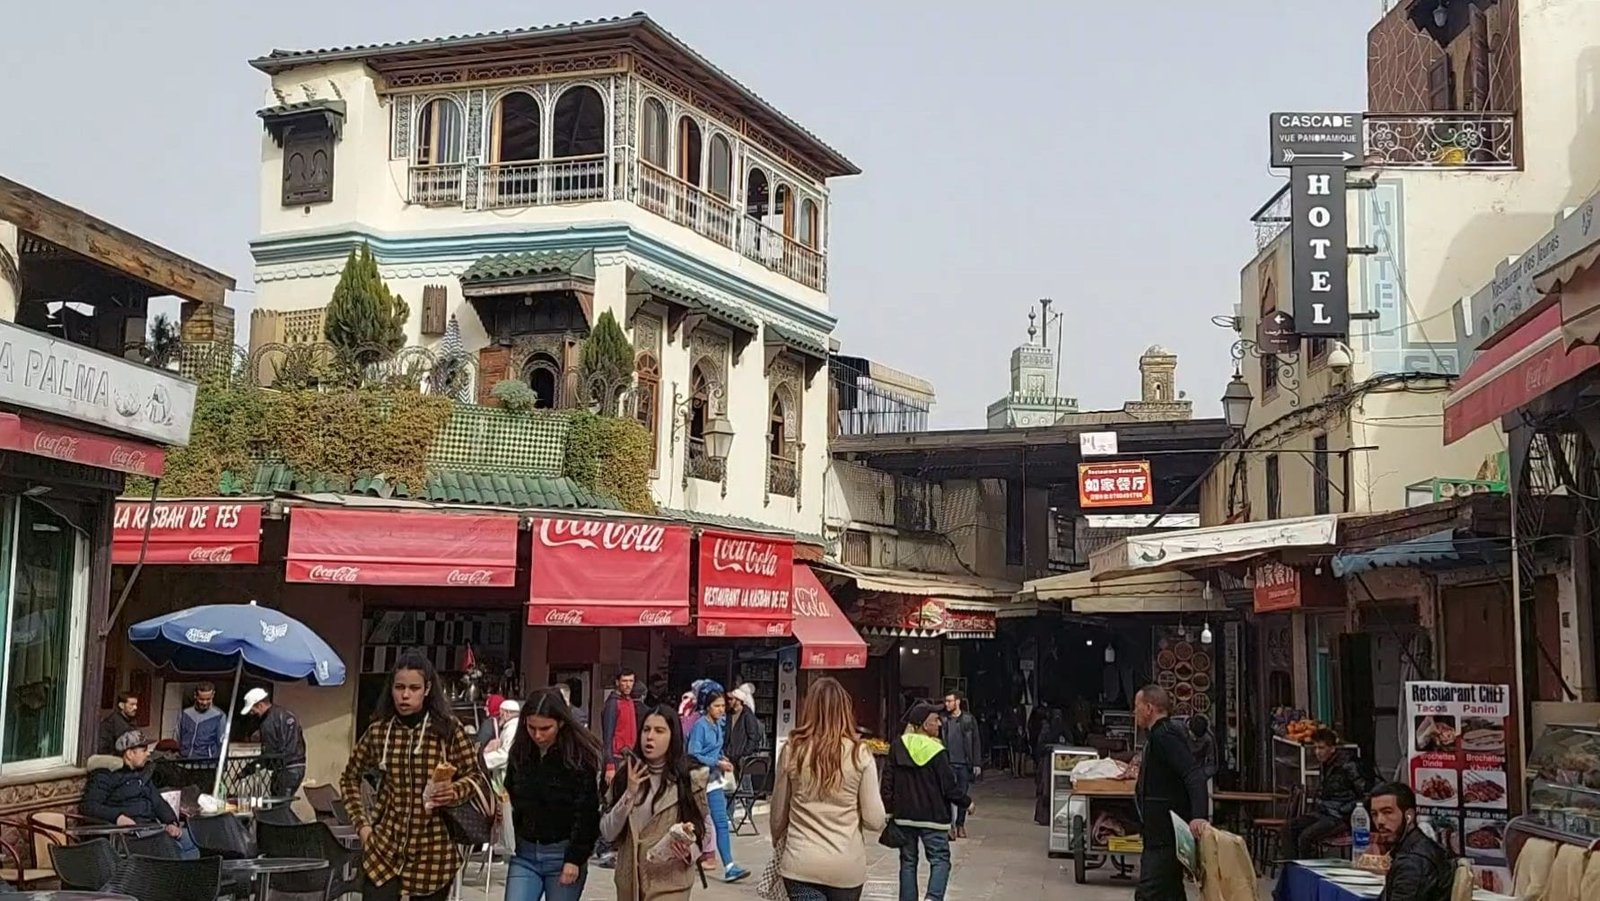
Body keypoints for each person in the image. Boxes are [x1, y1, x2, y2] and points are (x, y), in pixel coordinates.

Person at [338, 651, 487, 901]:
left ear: (427, 689)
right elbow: (349, 777)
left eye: (414, 688)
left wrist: (455, 791)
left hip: (433, 849)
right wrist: (362, 826)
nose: (405, 695)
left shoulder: (448, 730)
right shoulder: (379, 731)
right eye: (399, 687)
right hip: (384, 847)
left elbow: (475, 776)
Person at [770, 676, 886, 901]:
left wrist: (778, 840)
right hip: (845, 867)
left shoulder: (793, 750)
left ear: (809, 708)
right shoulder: (859, 753)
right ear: (845, 710)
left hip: (801, 863)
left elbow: (777, 815)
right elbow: (875, 819)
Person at [600, 705, 715, 901]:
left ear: (673, 737)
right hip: (630, 886)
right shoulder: (624, 775)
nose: (650, 737)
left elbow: (704, 830)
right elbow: (607, 832)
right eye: (646, 730)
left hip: (670, 883)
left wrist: (689, 852)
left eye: (659, 731)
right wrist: (629, 793)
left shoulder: (689, 779)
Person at [503, 688, 603, 901]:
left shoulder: (579, 758)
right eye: (531, 727)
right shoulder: (520, 751)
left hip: (563, 854)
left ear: (561, 723)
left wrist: (575, 858)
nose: (537, 735)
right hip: (524, 852)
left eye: (545, 728)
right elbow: (510, 791)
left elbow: (586, 813)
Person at [882, 702, 968, 901]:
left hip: (904, 817)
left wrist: (889, 809)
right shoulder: (937, 750)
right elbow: (948, 786)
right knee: (940, 860)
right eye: (935, 720)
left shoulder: (897, 746)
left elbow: (888, 780)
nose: (939, 724)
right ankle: (932, 898)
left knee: (908, 862)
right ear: (924, 725)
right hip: (933, 818)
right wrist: (966, 802)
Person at [1132, 685, 1210, 901]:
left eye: (1137, 707)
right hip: (1157, 833)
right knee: (1170, 894)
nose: (1134, 712)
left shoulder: (1165, 736)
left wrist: (1199, 816)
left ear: (1149, 708)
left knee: (1148, 894)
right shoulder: (1157, 736)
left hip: (1166, 835)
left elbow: (1193, 775)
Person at [82, 730, 200, 859]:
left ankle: (189, 877)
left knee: (192, 839)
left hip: (152, 828)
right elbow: (89, 806)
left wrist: (171, 822)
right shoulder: (106, 776)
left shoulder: (143, 774)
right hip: (128, 836)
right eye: (143, 750)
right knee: (170, 847)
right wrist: (117, 817)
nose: (148, 753)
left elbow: (158, 802)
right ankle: (176, 877)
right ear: (130, 754)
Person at [686, 681, 748, 882]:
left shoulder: (718, 725)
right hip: (700, 780)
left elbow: (715, 749)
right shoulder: (700, 726)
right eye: (717, 706)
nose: (721, 709)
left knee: (721, 822)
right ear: (707, 706)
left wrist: (722, 758)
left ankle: (729, 865)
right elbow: (693, 753)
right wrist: (716, 762)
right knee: (695, 823)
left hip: (714, 781)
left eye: (723, 705)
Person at [1282, 727, 1370, 859]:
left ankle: (1308, 872)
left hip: (1339, 815)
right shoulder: (1326, 765)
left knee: (1306, 836)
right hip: (1323, 811)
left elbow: (1366, 793)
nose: (1318, 752)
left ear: (1332, 748)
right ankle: (1291, 868)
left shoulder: (1349, 765)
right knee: (1288, 828)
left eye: (1321, 748)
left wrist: (1347, 809)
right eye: (1316, 748)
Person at [1370, 782, 1453, 901]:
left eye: (1387, 812)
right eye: (1374, 814)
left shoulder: (1412, 862)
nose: (1380, 821)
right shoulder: (1414, 847)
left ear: (1409, 816)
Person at [240, 687, 308, 800]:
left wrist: (249, 769)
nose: (252, 714)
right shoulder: (282, 716)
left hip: (287, 768)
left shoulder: (274, 720)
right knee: (280, 805)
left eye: (253, 710)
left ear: (260, 705)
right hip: (291, 767)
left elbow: (273, 752)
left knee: (279, 807)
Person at [939, 692, 981, 839]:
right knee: (948, 795)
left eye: (949, 701)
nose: (946, 704)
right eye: (946, 701)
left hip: (964, 764)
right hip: (948, 763)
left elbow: (976, 741)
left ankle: (960, 824)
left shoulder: (969, 720)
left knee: (962, 795)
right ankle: (949, 826)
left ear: (957, 702)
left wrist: (976, 763)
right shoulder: (943, 720)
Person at [177, 682, 226, 760]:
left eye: (208, 699)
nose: (204, 702)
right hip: (183, 761)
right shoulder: (185, 714)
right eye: (201, 699)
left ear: (213, 695)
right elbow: (177, 737)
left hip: (206, 764)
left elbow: (222, 744)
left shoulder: (219, 716)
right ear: (195, 696)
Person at [725, 683, 764, 769]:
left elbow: (753, 736)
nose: (729, 701)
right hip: (729, 757)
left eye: (732, 699)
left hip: (741, 759)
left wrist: (744, 754)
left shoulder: (747, 715)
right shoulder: (728, 714)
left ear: (738, 701)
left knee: (744, 781)